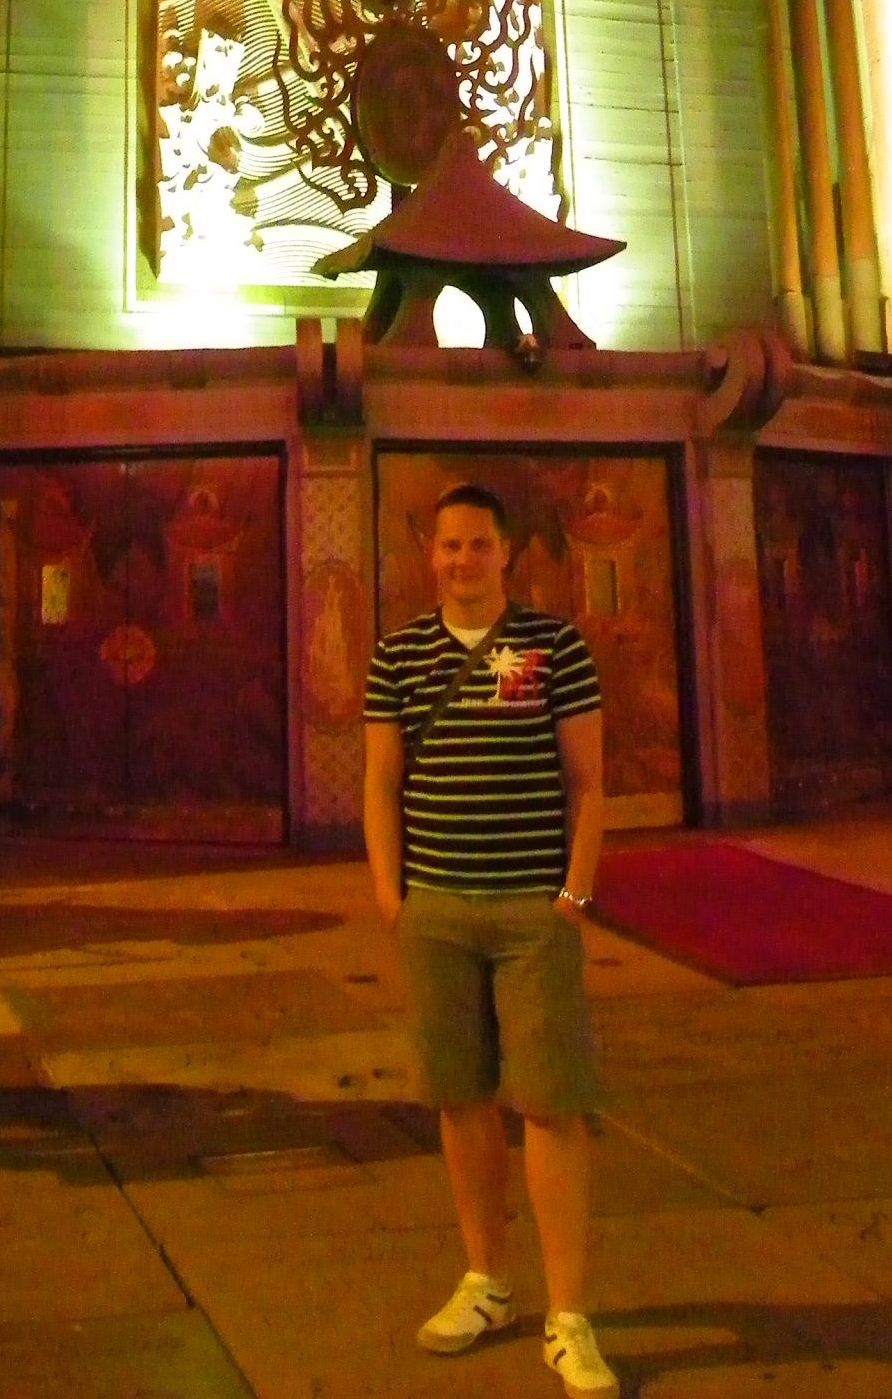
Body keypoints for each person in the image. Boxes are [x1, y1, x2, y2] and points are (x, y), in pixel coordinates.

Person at [363, 482, 616, 1398]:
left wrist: (573, 893)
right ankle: (487, 1282)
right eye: (449, 545)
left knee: (551, 1104)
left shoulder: (553, 647)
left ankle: (569, 1315)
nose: (462, 559)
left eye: (478, 544)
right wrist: (392, 896)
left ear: (507, 552)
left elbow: (588, 781)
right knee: (461, 1096)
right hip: (436, 909)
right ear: (428, 553)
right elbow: (381, 780)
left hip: (530, 913)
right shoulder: (398, 655)